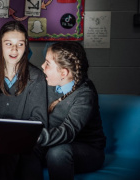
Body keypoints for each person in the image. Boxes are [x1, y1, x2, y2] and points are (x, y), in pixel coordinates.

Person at [0, 21, 48, 179]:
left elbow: (39, 121)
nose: (14, 49)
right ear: (0, 45)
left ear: (26, 46)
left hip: (26, 143)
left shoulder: (36, 77)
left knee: (20, 156)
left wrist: (12, 137)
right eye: (8, 43)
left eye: (20, 44)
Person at [34, 41, 106, 180]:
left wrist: (37, 136)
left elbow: (68, 131)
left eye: (47, 64)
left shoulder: (85, 94)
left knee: (58, 152)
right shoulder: (50, 83)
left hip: (86, 151)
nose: (42, 66)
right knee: (26, 151)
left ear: (64, 72)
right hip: (54, 143)